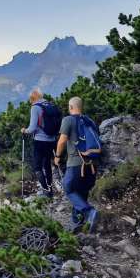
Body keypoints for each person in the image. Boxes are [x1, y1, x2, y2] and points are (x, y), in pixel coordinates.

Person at [55, 96, 100, 233]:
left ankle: (90, 212)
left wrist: (57, 156)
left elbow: (62, 141)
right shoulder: (89, 121)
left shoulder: (68, 120)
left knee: (68, 188)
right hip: (91, 165)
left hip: (75, 164)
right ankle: (78, 223)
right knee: (81, 193)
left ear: (70, 107)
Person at [21, 88, 58, 197]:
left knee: (37, 167)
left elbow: (32, 128)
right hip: (52, 140)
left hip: (40, 141)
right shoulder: (50, 105)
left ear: (32, 98)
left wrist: (24, 130)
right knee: (47, 165)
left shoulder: (35, 107)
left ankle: (45, 189)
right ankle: (50, 189)